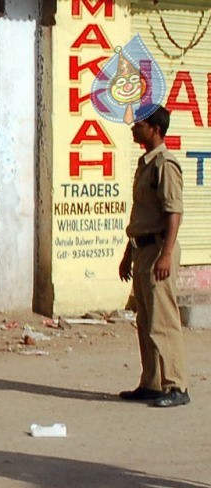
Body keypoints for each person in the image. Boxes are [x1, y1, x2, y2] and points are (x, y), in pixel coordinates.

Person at [118, 105, 189, 407]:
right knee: (146, 320)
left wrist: (167, 254)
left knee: (163, 321)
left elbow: (173, 212)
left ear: (155, 129)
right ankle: (151, 383)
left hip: (159, 250)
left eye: (140, 125)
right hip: (142, 249)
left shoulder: (165, 164)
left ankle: (177, 385)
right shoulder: (145, 164)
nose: (134, 128)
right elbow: (141, 215)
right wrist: (128, 254)